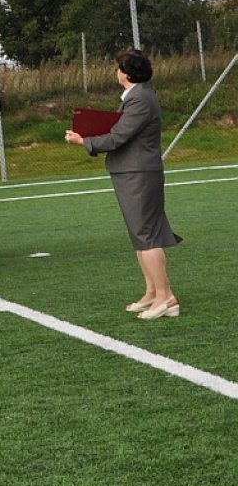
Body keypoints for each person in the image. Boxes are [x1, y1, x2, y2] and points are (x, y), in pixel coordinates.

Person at [65, 48, 182, 319]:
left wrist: (84, 141)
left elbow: (119, 136)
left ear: (127, 74)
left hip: (139, 173)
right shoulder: (136, 96)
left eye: (118, 68)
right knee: (141, 236)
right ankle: (153, 292)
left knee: (147, 236)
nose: (116, 72)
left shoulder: (139, 98)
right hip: (132, 172)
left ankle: (165, 298)